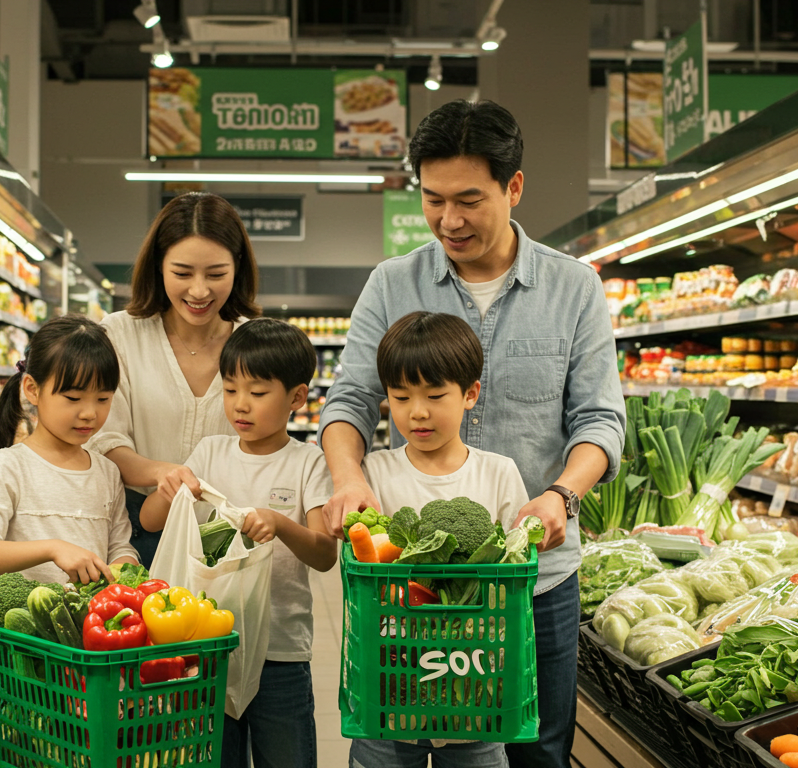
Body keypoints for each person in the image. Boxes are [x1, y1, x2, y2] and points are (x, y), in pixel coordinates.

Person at [320, 100, 627, 768]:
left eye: (469, 200)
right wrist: (349, 479)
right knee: (397, 730)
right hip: (411, 585)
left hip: (535, 576)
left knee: (536, 748)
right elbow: (348, 400)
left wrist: (561, 496)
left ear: (513, 188)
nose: (448, 220)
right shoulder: (391, 283)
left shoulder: (574, 289)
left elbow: (600, 419)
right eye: (433, 200)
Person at [141, 318, 338, 768]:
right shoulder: (210, 452)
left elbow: (326, 555)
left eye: (257, 391)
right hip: (209, 646)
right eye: (230, 390)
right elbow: (152, 521)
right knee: (213, 757)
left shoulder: (309, 463)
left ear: (296, 397)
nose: (240, 405)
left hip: (281, 650)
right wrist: (170, 488)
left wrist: (280, 525)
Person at [0, 315, 141, 767]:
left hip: (92, 671)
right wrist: (52, 548)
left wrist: (123, 569)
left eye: (103, 398)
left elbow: (122, 546)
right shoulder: (10, 467)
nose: (89, 413)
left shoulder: (106, 472)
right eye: (73, 397)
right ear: (33, 390)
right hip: (19, 674)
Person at [350, 311, 528, 768]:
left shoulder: (499, 473)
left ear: (470, 394)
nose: (417, 411)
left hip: (475, 680)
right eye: (401, 396)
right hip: (391, 677)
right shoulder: (374, 472)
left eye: (434, 395)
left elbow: (515, 569)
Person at [90, 192, 263, 567]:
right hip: (132, 534)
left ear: (237, 268)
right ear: (158, 267)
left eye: (216, 274)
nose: (199, 291)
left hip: (226, 536)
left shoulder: (256, 345)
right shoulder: (119, 335)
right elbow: (104, 440)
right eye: (182, 273)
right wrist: (162, 473)